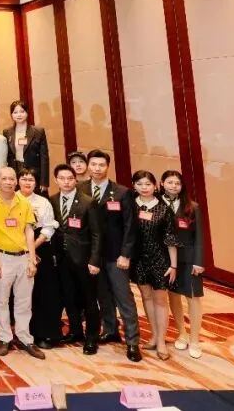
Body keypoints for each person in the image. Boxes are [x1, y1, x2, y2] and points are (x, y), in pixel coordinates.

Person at [79, 149, 141, 361]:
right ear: (88, 166)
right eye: (93, 164)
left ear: (107, 167)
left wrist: (126, 254)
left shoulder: (122, 193)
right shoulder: (81, 188)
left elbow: (130, 226)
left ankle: (132, 341)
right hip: (93, 256)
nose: (97, 169)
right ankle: (111, 329)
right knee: (103, 296)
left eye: (101, 165)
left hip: (116, 255)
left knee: (124, 298)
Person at [0, 167, 45, 359]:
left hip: (23, 257)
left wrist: (32, 259)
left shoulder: (24, 202)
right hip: (1, 257)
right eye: (4, 178)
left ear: (16, 181)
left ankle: (25, 338)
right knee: (1, 300)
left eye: (12, 179)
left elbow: (29, 231)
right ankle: (4, 338)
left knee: (24, 301)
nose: (9, 182)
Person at [50, 164, 102, 355]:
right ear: (56, 180)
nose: (66, 182)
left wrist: (95, 260)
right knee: (69, 297)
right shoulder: (52, 200)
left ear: (75, 180)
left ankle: (91, 338)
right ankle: (75, 331)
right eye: (62, 178)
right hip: (62, 259)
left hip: (84, 259)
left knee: (89, 300)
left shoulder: (88, 202)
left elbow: (97, 234)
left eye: (70, 178)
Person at [129, 170, 180, 361]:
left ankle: (161, 341)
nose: (144, 188)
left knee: (160, 300)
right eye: (140, 184)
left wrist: (173, 265)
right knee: (146, 297)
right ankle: (153, 335)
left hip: (160, 260)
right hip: (138, 260)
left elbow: (170, 239)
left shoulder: (163, 209)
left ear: (155, 186)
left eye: (148, 184)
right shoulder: (130, 206)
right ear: (134, 185)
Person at [161, 170, 204, 359]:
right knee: (173, 296)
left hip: (189, 259)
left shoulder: (192, 207)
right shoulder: (155, 203)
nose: (173, 186)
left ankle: (194, 340)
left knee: (193, 298)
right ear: (162, 183)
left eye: (177, 183)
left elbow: (199, 236)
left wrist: (199, 261)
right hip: (166, 259)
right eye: (169, 182)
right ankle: (182, 334)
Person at [19, 169, 62, 350]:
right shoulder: (12, 199)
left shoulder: (43, 202)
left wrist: (32, 248)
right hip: (15, 249)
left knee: (43, 293)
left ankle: (42, 333)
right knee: (21, 295)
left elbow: (49, 227)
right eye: (23, 179)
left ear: (36, 183)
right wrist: (24, 250)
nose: (27, 182)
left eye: (31, 180)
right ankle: (21, 333)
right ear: (17, 181)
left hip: (40, 247)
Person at [3, 101, 49, 193]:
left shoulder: (38, 131)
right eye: (15, 112)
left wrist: (44, 181)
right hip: (15, 173)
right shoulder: (7, 132)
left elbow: (44, 157)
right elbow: (7, 156)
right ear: (11, 115)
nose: (19, 115)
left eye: (22, 111)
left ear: (27, 113)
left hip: (33, 174)